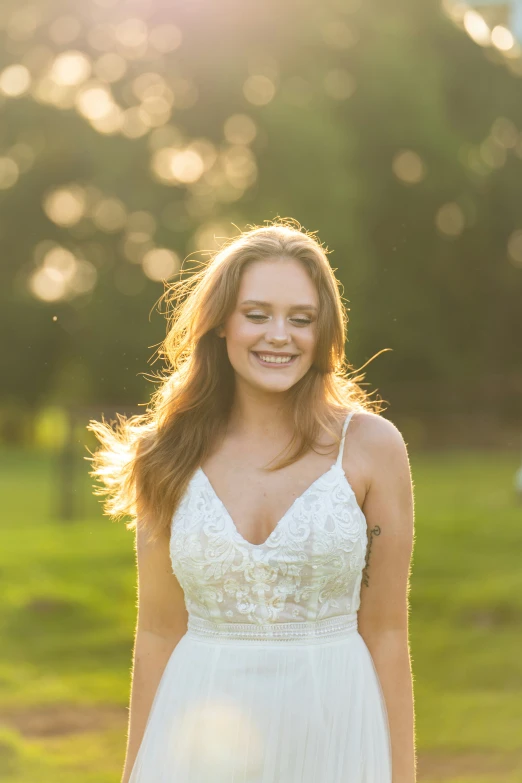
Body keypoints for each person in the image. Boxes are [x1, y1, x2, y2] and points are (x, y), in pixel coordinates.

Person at [88, 220, 416, 783]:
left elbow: (385, 631)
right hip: (199, 733)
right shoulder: (164, 454)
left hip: (334, 728)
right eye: (257, 314)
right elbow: (159, 633)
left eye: (301, 318)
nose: (279, 335)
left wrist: (402, 775)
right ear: (221, 324)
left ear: (323, 332)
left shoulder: (371, 448)